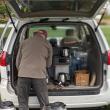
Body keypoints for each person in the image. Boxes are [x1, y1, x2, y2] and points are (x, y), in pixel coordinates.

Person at [16, 30, 53, 110]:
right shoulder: (47, 43)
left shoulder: (24, 42)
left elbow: (18, 61)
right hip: (39, 74)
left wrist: (22, 71)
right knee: (44, 104)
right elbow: (49, 64)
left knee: (22, 103)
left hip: (23, 74)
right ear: (44, 35)